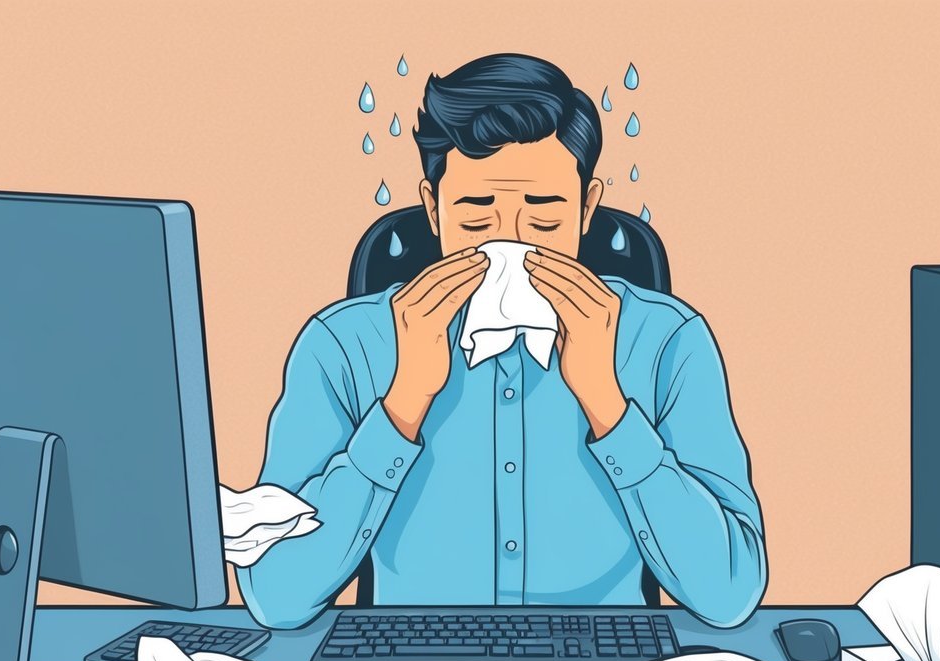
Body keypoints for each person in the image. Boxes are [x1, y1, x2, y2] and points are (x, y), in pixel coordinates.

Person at [238, 53, 766, 629]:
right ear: (432, 208)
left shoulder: (666, 341)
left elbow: (731, 592)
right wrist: (402, 405)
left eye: (543, 218)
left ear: (588, 207)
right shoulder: (344, 346)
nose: (509, 244)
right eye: (474, 217)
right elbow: (275, 594)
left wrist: (609, 406)